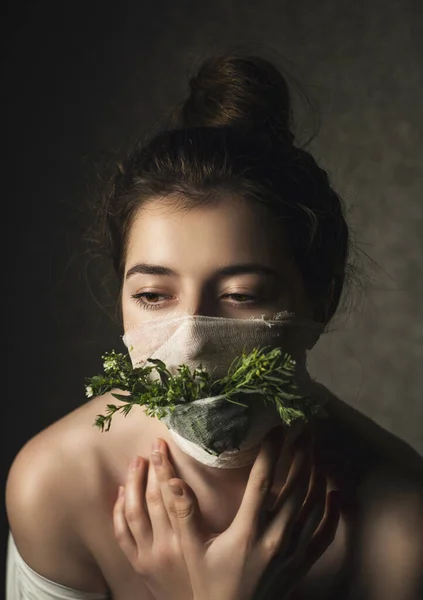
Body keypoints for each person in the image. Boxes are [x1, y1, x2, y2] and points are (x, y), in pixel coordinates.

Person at [5, 50, 423, 600]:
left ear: (322, 300)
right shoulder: (57, 486)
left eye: (241, 296)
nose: (193, 344)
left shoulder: (398, 519)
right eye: (154, 295)